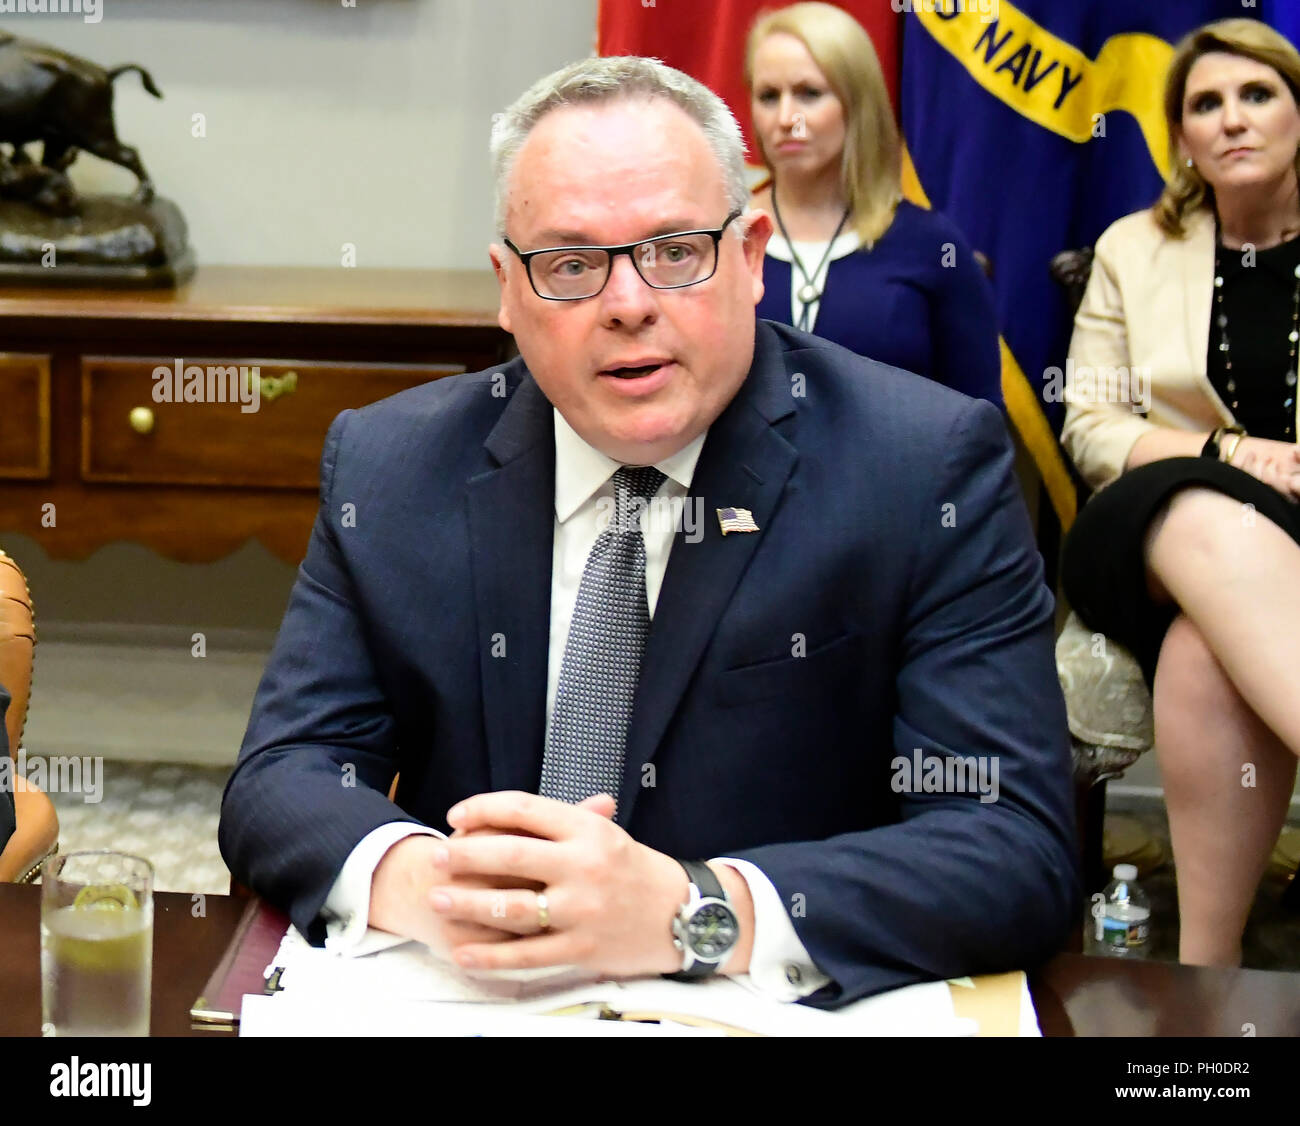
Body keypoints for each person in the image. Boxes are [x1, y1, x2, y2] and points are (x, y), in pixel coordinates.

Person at [219, 55, 1077, 1009]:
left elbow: (1012, 846)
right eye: (572, 264)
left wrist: (696, 908)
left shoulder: (922, 467)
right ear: (508, 290)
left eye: (675, 251)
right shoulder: (390, 464)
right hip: (470, 1002)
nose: (628, 303)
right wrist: (424, 880)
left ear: (751, 259)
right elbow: (281, 777)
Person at [1061, 19, 1300, 967]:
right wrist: (1232, 455)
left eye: (1257, 95)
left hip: (1274, 561)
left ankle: (1209, 978)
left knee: (1209, 651)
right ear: (1182, 139)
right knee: (1202, 504)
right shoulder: (1135, 247)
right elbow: (1090, 424)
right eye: (1206, 104)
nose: (1232, 120)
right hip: (1149, 525)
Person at [745, 2, 1002, 406]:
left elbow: (980, 419)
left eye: (809, 93)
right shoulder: (722, 237)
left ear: (858, 103)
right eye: (768, 96)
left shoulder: (931, 247)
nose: (786, 118)